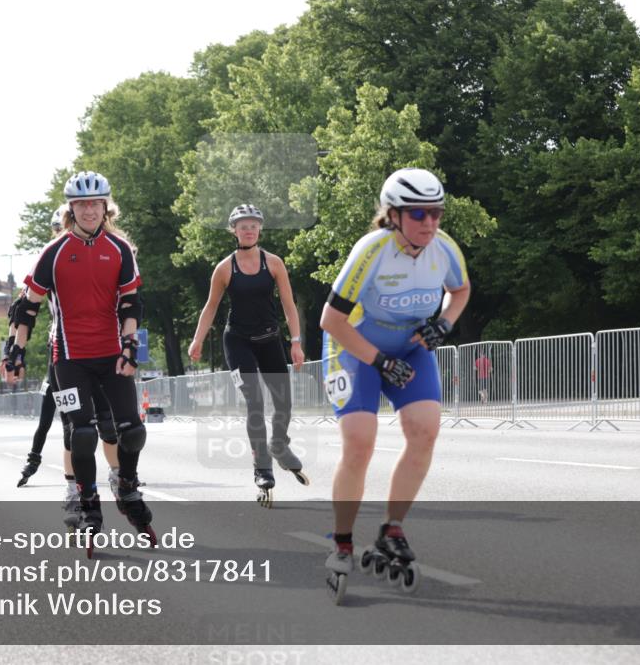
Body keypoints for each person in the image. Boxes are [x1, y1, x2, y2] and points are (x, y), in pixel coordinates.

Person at [319, 168, 470, 595]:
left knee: (425, 431)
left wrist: (444, 323)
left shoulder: (444, 250)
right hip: (355, 348)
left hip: (409, 348)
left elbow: (460, 291)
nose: (429, 223)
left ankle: (392, 528)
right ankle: (343, 541)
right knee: (360, 441)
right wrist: (379, 361)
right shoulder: (372, 250)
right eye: (418, 213)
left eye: (436, 213)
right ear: (393, 215)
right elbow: (330, 320)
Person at [4, 171, 153, 544]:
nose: (89, 210)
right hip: (68, 358)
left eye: (95, 204)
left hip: (111, 355)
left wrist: (130, 346)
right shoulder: (52, 253)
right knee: (82, 434)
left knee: (132, 431)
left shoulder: (119, 250)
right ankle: (86, 501)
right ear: (72, 209)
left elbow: (131, 303)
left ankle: (126, 482)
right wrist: (15, 352)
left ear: (106, 207)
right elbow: (27, 308)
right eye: (82, 204)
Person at [188, 203, 308, 505]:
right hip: (238, 341)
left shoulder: (275, 263)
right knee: (255, 401)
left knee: (284, 403)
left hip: (270, 340)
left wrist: (295, 342)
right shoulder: (225, 268)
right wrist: (197, 341)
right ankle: (263, 468)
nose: (249, 229)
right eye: (243, 225)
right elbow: (211, 307)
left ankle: (279, 445)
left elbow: (289, 305)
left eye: (253, 225)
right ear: (234, 230)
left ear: (260, 229)